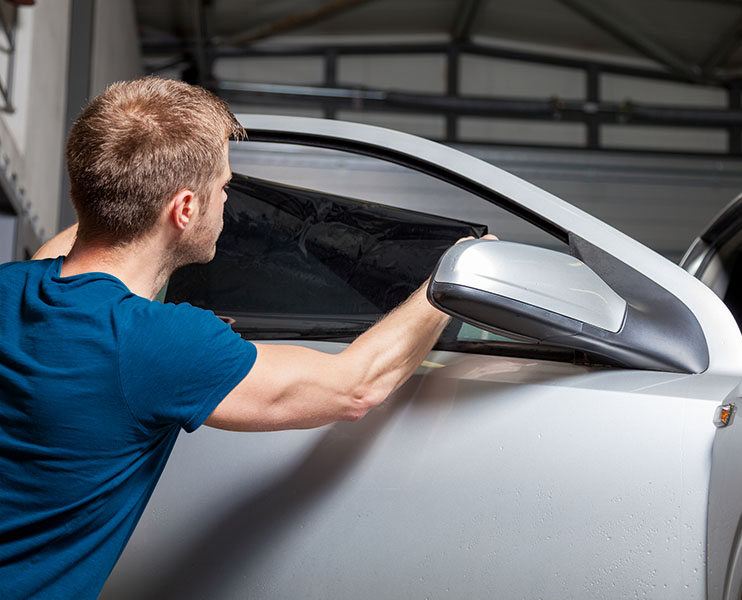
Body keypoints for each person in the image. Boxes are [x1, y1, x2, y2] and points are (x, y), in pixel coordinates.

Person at [0, 77, 482, 599]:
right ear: (184, 211)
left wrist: (131, 175)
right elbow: (355, 385)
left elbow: (72, 247)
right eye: (226, 187)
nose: (229, 200)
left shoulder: (11, 288)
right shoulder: (158, 344)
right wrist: (452, 280)